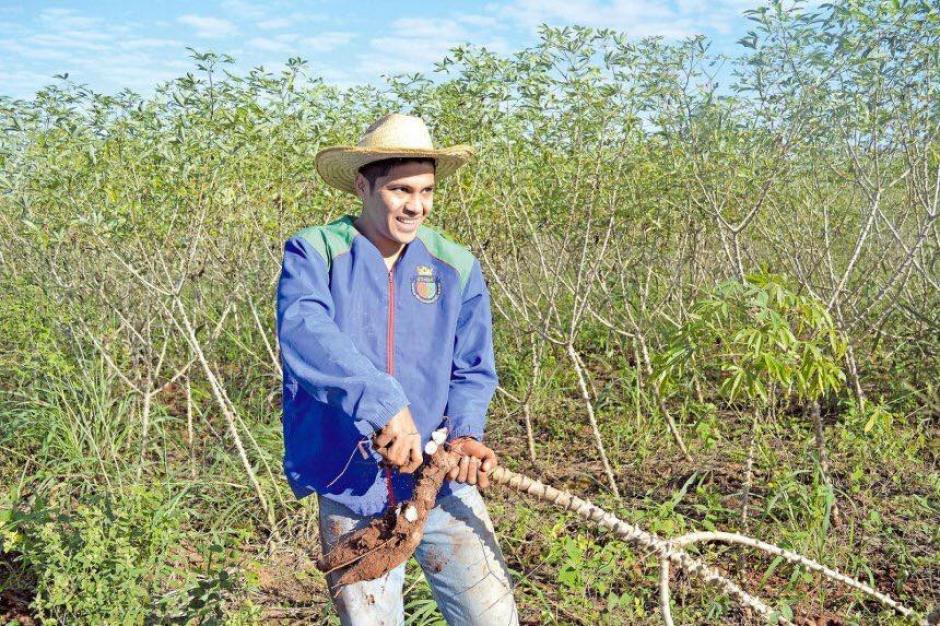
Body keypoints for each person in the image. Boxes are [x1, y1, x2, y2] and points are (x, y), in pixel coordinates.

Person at [276, 113, 519, 625]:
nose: (416, 205)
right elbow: (304, 330)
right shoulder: (316, 251)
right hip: (351, 481)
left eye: (427, 190)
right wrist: (385, 404)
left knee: (492, 617)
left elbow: (472, 369)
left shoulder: (455, 266)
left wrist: (467, 434)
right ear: (364, 185)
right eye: (401, 189)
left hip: (442, 483)